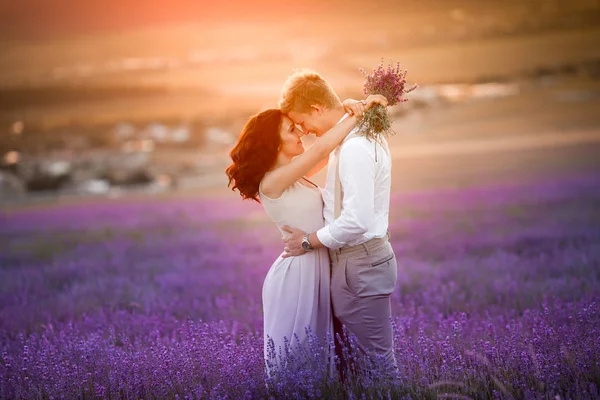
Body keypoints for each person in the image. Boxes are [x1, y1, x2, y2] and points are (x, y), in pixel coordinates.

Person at [225, 91, 387, 374]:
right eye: (291, 129)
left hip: (314, 262)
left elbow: (332, 149)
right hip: (297, 274)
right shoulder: (272, 183)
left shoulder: (294, 176)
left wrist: (345, 108)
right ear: (273, 144)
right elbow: (321, 150)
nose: (300, 132)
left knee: (321, 360)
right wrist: (357, 112)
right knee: (297, 362)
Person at [278, 69, 398, 375]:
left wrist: (306, 241)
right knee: (357, 365)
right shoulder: (351, 138)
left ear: (317, 109)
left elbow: (356, 220)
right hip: (355, 263)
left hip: (360, 262)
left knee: (378, 365)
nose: (304, 131)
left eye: (303, 122)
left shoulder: (355, 148)